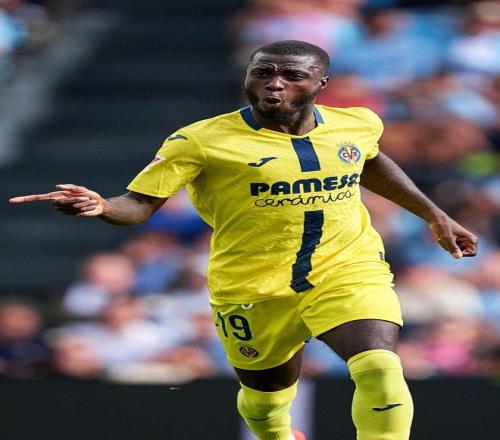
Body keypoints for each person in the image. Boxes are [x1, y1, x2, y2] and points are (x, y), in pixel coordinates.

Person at [9, 40, 478, 440]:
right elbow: (139, 204)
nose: (275, 83)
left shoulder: (357, 123)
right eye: (263, 73)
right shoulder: (200, 140)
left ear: (320, 84)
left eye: (292, 76)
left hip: (347, 269)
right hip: (251, 285)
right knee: (265, 401)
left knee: (378, 366)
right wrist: (102, 206)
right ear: (248, 77)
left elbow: (369, 161)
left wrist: (434, 215)